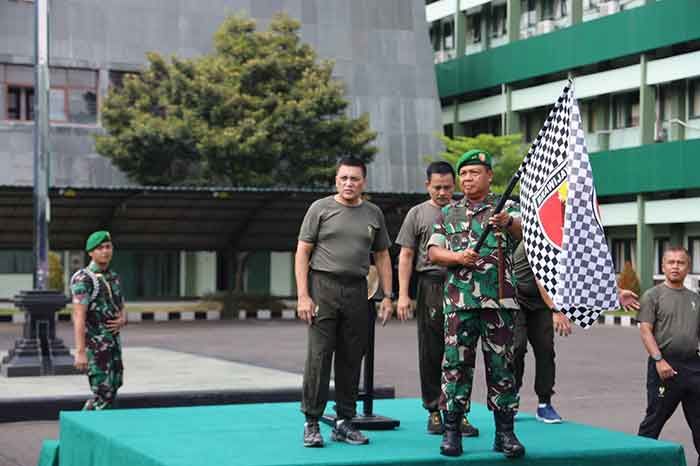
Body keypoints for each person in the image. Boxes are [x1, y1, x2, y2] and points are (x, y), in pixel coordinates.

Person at [427, 149, 525, 458]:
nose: (469, 179)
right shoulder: (448, 212)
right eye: (464, 174)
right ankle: (452, 431)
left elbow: (530, 235)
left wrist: (508, 222)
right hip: (460, 301)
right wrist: (457, 257)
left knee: (503, 368)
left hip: (500, 302)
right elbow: (434, 252)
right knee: (455, 367)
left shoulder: (508, 207)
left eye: (475, 172)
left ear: (489, 175)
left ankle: (505, 433)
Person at [295, 156, 394, 448]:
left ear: (364, 181)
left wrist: (387, 296)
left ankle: (344, 422)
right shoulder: (320, 209)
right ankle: (312, 422)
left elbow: (383, 256)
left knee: (352, 357)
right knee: (319, 355)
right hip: (323, 286)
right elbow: (302, 252)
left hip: (358, 290)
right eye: (343, 178)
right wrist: (303, 295)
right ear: (336, 180)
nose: (349, 183)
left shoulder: (373, 213)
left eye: (354, 179)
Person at [513, 242, 641, 424]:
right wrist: (556, 310)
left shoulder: (568, 238)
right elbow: (540, 277)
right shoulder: (536, 235)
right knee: (517, 348)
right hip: (518, 299)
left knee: (545, 350)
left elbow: (585, 272)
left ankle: (544, 404)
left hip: (541, 305)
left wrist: (616, 292)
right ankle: (511, 396)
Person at [395, 161, 479, 437]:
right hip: (430, 284)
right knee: (432, 351)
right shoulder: (417, 214)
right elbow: (406, 255)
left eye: (447, 187)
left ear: (454, 186)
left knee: (462, 350)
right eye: (437, 187)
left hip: (462, 282)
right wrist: (403, 295)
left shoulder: (463, 211)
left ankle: (459, 412)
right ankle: (433, 410)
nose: (443, 192)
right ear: (427, 186)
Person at [637, 247, 700, 466]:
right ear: (663, 266)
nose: (675, 266)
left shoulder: (695, 299)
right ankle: (638, 461)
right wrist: (658, 360)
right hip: (664, 366)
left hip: (694, 367)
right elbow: (645, 330)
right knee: (654, 421)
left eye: (680, 263)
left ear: (687, 267)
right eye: (671, 262)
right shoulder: (653, 296)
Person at [70, 230, 127, 410]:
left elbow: (121, 307)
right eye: (100, 248)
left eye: (108, 247)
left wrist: (122, 319)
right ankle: (82, 428)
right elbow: (79, 316)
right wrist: (80, 352)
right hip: (95, 349)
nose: (105, 251)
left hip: (113, 346)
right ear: (91, 253)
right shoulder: (84, 279)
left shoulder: (113, 277)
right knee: (103, 394)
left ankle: (91, 427)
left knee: (114, 388)